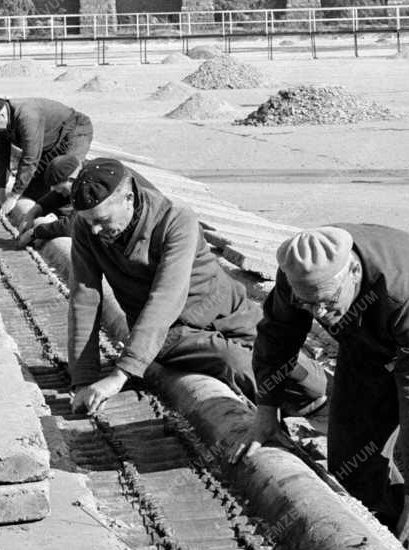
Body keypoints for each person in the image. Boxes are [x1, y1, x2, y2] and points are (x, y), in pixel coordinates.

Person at [246, 224, 409, 550]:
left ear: (354, 273)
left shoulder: (403, 290)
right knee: (350, 469)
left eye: (327, 303)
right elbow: (277, 338)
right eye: (308, 304)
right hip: (366, 333)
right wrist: (266, 412)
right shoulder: (297, 275)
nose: (318, 314)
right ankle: (393, 514)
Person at [67, 158, 327, 417]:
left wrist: (118, 374)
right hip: (171, 331)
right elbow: (84, 300)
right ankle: (276, 426)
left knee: (298, 367)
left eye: (102, 220)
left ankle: (325, 409)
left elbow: (168, 293)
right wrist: (84, 380)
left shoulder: (174, 219)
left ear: (128, 198)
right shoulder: (86, 229)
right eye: (89, 222)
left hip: (227, 309)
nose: (95, 229)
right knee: (237, 363)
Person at [0, 96, 93, 215]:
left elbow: (30, 157)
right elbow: (0, 155)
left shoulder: (28, 116)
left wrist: (14, 196)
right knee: (33, 190)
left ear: (1, 115)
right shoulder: (0, 125)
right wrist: (0, 191)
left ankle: (74, 219)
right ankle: (47, 215)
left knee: (65, 178)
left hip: (74, 131)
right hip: (49, 141)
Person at [13, 153, 83, 248]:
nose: (60, 193)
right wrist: (30, 215)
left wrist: (35, 233)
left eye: (62, 190)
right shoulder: (73, 184)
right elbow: (50, 200)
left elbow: (70, 227)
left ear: (72, 179)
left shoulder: (89, 188)